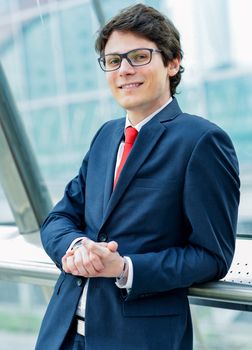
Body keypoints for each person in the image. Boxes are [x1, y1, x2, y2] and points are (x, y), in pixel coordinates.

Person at [35, 3, 240, 350]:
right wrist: (78, 246)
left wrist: (125, 267)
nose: (124, 70)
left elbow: (212, 256)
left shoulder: (201, 141)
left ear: (172, 62)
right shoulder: (105, 136)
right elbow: (58, 217)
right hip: (62, 332)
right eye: (114, 61)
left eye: (139, 56)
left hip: (138, 339)